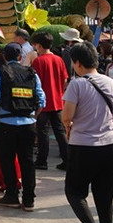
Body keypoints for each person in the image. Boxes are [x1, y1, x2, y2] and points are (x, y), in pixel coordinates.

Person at [62, 42, 113, 223]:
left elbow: (67, 116)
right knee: (105, 193)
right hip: (111, 146)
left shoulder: (76, 84)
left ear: (77, 63)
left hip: (83, 146)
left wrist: (68, 124)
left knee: (74, 192)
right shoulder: (111, 82)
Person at [0, 43, 45, 211]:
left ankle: (12, 195)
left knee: (7, 161)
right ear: (21, 57)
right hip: (28, 124)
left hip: (5, 124)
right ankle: (29, 200)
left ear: (5, 57)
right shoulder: (31, 73)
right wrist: (32, 118)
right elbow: (42, 100)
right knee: (27, 161)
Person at [31, 32, 69, 171]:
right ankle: (67, 159)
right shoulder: (59, 60)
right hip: (58, 101)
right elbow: (65, 80)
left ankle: (42, 160)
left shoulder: (38, 61)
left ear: (39, 45)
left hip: (43, 103)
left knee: (42, 132)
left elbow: (35, 83)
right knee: (60, 132)